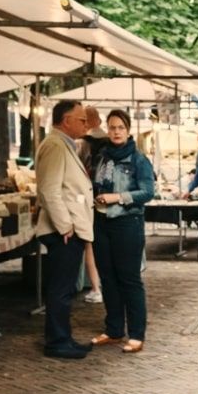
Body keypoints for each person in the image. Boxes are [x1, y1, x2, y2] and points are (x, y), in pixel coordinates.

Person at [90, 109, 156, 353]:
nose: (116, 132)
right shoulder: (102, 157)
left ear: (128, 131)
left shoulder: (138, 159)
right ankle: (114, 329)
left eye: (120, 127)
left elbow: (148, 192)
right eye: (112, 127)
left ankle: (137, 334)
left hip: (127, 223)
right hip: (101, 222)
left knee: (129, 279)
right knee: (107, 278)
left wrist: (118, 197)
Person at [36, 99, 95, 359]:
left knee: (66, 287)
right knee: (61, 288)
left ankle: (63, 337)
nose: (86, 124)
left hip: (70, 228)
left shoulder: (63, 145)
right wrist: (64, 226)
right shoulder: (55, 146)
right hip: (65, 230)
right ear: (65, 121)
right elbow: (50, 189)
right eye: (81, 119)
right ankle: (58, 341)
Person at [78, 106, 106, 306]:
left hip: (87, 196)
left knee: (89, 242)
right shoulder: (111, 141)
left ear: (87, 122)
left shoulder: (82, 143)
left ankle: (96, 288)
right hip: (108, 196)